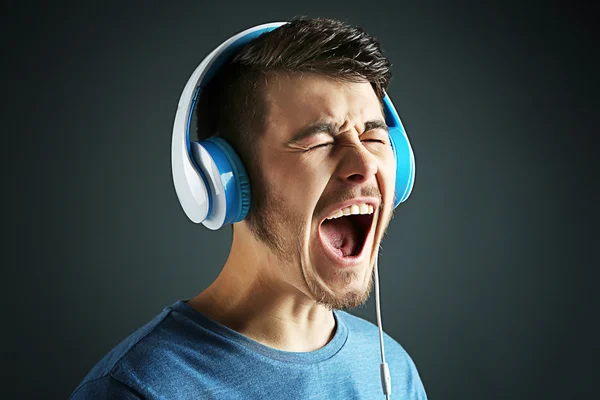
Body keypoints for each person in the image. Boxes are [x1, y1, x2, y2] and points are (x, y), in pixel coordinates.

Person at [70, 17, 427, 399]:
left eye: (373, 137)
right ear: (225, 179)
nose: (366, 164)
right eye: (320, 142)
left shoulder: (392, 367)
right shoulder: (138, 388)